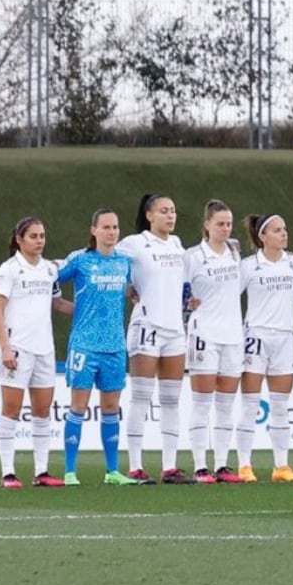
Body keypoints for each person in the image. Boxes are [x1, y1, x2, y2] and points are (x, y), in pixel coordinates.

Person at [55, 209, 144, 486]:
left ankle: (112, 471)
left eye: (115, 227)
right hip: (85, 345)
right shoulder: (80, 260)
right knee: (78, 406)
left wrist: (133, 294)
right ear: (93, 230)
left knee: (111, 407)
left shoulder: (124, 262)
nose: (112, 232)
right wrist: (63, 305)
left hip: (115, 346)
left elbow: (131, 290)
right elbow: (49, 279)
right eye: (106, 227)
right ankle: (70, 471)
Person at [0, 216, 72, 488]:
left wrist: (90, 308)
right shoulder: (9, 270)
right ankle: (8, 473)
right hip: (17, 348)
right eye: (33, 236)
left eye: (42, 236)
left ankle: (42, 472)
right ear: (19, 239)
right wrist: (6, 348)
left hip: (44, 348)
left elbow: (57, 304)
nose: (39, 241)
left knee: (42, 411)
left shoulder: (49, 270)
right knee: (11, 410)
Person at [117, 192, 193, 484]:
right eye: (163, 211)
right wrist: (127, 287)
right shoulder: (135, 243)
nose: (170, 215)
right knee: (141, 397)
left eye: (172, 210)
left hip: (174, 329)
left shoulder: (176, 244)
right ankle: (135, 466)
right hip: (147, 325)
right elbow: (107, 259)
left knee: (171, 399)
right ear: (149, 215)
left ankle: (169, 467)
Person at [237, 212, 293, 483]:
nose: (283, 233)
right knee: (250, 405)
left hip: (284, 338)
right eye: (277, 230)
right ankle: (244, 465)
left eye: (284, 228)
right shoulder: (248, 266)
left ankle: (281, 466)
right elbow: (229, 295)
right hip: (256, 336)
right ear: (262, 236)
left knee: (280, 405)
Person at [183, 200, 245, 484]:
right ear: (207, 224)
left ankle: (221, 465)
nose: (225, 228)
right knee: (202, 402)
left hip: (233, 336)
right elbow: (179, 291)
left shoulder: (234, 253)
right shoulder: (193, 256)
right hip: (204, 335)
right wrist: (186, 304)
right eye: (220, 223)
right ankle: (200, 466)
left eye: (228, 224)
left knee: (225, 404)